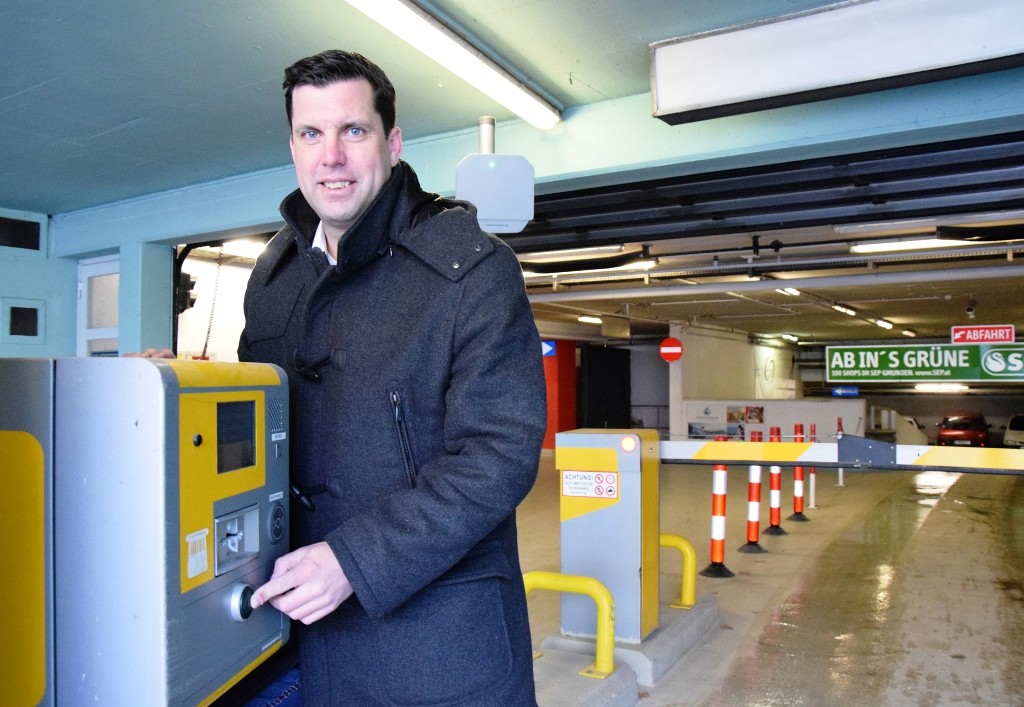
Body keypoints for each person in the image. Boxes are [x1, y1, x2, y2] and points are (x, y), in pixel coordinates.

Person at [239, 50, 547, 705]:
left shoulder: (472, 271)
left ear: (392, 141)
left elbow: (498, 454)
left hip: (434, 655)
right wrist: (173, 390)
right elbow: (254, 417)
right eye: (311, 134)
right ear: (292, 146)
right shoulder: (273, 279)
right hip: (290, 645)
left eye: (353, 130)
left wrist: (352, 561)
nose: (332, 156)